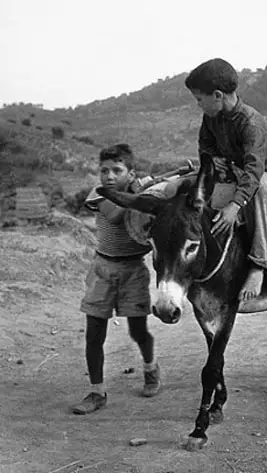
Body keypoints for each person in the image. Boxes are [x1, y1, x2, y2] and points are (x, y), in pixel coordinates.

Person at [73, 143, 160, 415]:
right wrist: (143, 190)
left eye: (117, 170)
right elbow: (116, 213)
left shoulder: (144, 194)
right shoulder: (98, 194)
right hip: (103, 269)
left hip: (134, 270)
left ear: (130, 172)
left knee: (138, 331)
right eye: (104, 170)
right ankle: (97, 392)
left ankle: (150, 368)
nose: (109, 176)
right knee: (94, 335)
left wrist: (152, 188)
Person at [185, 57, 267, 302]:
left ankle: (258, 265)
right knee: (189, 186)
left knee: (263, 189)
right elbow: (205, 146)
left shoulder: (251, 123)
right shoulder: (210, 118)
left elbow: (255, 169)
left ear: (217, 95)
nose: (198, 105)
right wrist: (213, 160)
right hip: (229, 173)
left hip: (257, 175)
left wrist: (234, 207)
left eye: (199, 99)